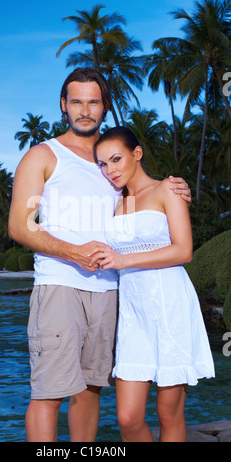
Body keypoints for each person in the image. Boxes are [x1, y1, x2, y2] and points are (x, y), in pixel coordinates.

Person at [8, 67, 192, 443]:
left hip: (112, 290)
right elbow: (19, 226)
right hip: (59, 285)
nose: (85, 110)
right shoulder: (43, 155)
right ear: (64, 105)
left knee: (91, 388)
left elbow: (147, 198)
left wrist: (178, 186)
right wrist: (72, 252)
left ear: (105, 106)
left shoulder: (110, 160)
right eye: (77, 101)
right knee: (48, 392)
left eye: (94, 101)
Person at [89, 126, 215, 442]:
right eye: (103, 164)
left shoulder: (167, 190)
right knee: (128, 419)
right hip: (133, 314)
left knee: (168, 412)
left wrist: (123, 261)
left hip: (170, 304)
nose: (109, 170)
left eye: (116, 159)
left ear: (137, 153)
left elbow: (183, 250)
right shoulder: (115, 202)